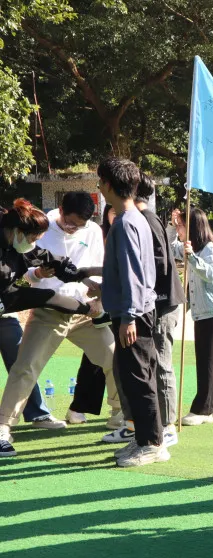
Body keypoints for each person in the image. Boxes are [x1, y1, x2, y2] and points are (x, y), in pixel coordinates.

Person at [0, 192, 123, 446]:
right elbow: (32, 277)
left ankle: (122, 414)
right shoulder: (40, 226)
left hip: (85, 311)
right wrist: (38, 274)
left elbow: (83, 268)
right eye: (69, 223)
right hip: (49, 312)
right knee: (26, 367)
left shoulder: (89, 232)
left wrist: (95, 291)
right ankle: (3, 425)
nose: (72, 228)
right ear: (60, 210)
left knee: (114, 357)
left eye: (78, 225)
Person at [96, 157, 170, 467]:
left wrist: (127, 316)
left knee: (139, 380)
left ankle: (152, 443)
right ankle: (143, 438)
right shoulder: (133, 218)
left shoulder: (125, 222)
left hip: (134, 314)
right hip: (137, 310)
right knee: (135, 377)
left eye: (100, 182)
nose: (99, 187)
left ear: (109, 186)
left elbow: (133, 273)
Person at [175, 208, 213, 425]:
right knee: (209, 358)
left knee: (208, 359)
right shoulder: (192, 248)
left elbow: (209, 274)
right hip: (202, 312)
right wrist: (172, 226)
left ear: (193, 227)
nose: (179, 229)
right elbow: (172, 249)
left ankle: (203, 409)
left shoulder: (209, 250)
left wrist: (192, 257)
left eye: (181, 225)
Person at [68, 204, 116, 425]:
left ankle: (121, 410)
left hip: (119, 305)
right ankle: (80, 406)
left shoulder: (134, 230)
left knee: (113, 355)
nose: (116, 215)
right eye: (112, 212)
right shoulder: (98, 233)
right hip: (93, 304)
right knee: (95, 358)